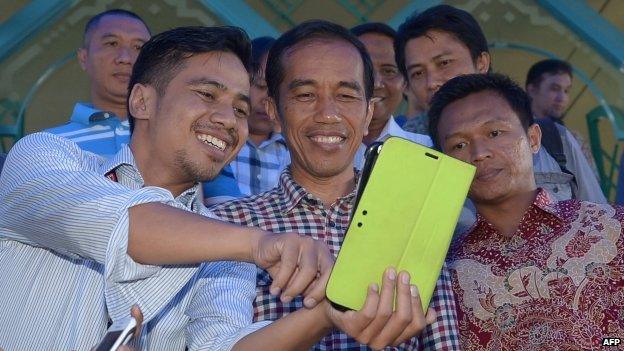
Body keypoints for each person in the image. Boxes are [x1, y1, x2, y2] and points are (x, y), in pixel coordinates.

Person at [0, 26, 421, 351]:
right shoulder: (45, 157)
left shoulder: (222, 245)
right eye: (207, 94)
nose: (227, 119)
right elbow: (125, 226)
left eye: (240, 108)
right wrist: (261, 244)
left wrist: (328, 314)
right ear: (142, 101)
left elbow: (225, 345)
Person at [212, 20, 457, 350]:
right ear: (274, 111)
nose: (327, 114)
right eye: (306, 95)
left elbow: (443, 341)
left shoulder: (414, 220)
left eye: (345, 95)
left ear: (368, 112)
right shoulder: (231, 226)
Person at [428, 72, 624, 350]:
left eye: (494, 133)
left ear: (533, 139)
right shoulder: (444, 275)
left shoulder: (612, 230)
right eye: (459, 145)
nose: (479, 152)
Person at [395, 4, 604, 203]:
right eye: (418, 73)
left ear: (481, 62)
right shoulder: (404, 154)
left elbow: (601, 221)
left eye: (444, 63)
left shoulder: (554, 139)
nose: (432, 82)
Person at [44, 9, 240, 202]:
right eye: (111, 43)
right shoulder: (49, 144)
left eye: (138, 47)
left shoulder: (194, 137)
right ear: (83, 58)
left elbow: (225, 218)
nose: (125, 58)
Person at [350, 22, 431, 169]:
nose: (376, 83)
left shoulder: (427, 150)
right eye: (364, 69)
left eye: (389, 71)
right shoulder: (302, 152)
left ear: (405, 82)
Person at [228, 36, 290, 196]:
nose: (267, 100)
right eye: (261, 86)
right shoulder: (221, 137)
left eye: (277, 92)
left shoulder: (291, 153)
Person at [526, 59, 599, 177]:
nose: (562, 98)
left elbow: (592, 187)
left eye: (566, 91)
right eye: (555, 88)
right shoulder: (517, 133)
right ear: (532, 89)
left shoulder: (575, 139)